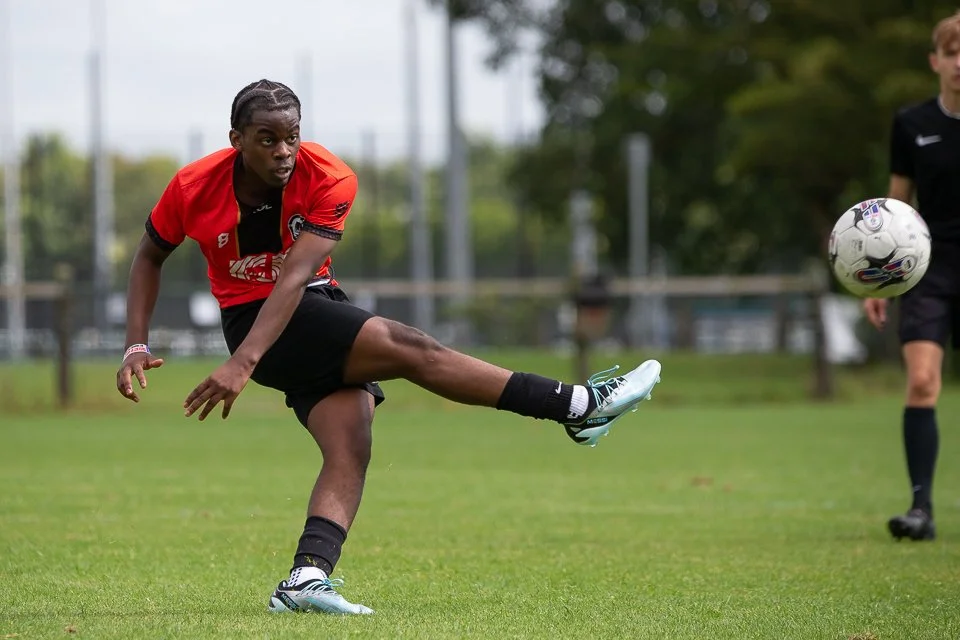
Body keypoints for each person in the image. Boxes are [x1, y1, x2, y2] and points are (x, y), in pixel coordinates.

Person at [114, 79, 663, 614]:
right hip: (252, 321)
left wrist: (243, 363)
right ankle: (577, 406)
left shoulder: (330, 177)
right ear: (236, 139)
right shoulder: (193, 185)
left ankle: (307, 577)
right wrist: (139, 344)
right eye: (267, 139)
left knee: (351, 441)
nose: (283, 151)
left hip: (309, 303)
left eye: (292, 136)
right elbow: (149, 256)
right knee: (410, 347)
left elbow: (297, 276)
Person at [865, 12, 960, 542]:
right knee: (922, 380)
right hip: (930, 265)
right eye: (952, 52)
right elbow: (895, 208)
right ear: (935, 61)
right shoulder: (911, 124)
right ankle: (921, 509)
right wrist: (878, 280)